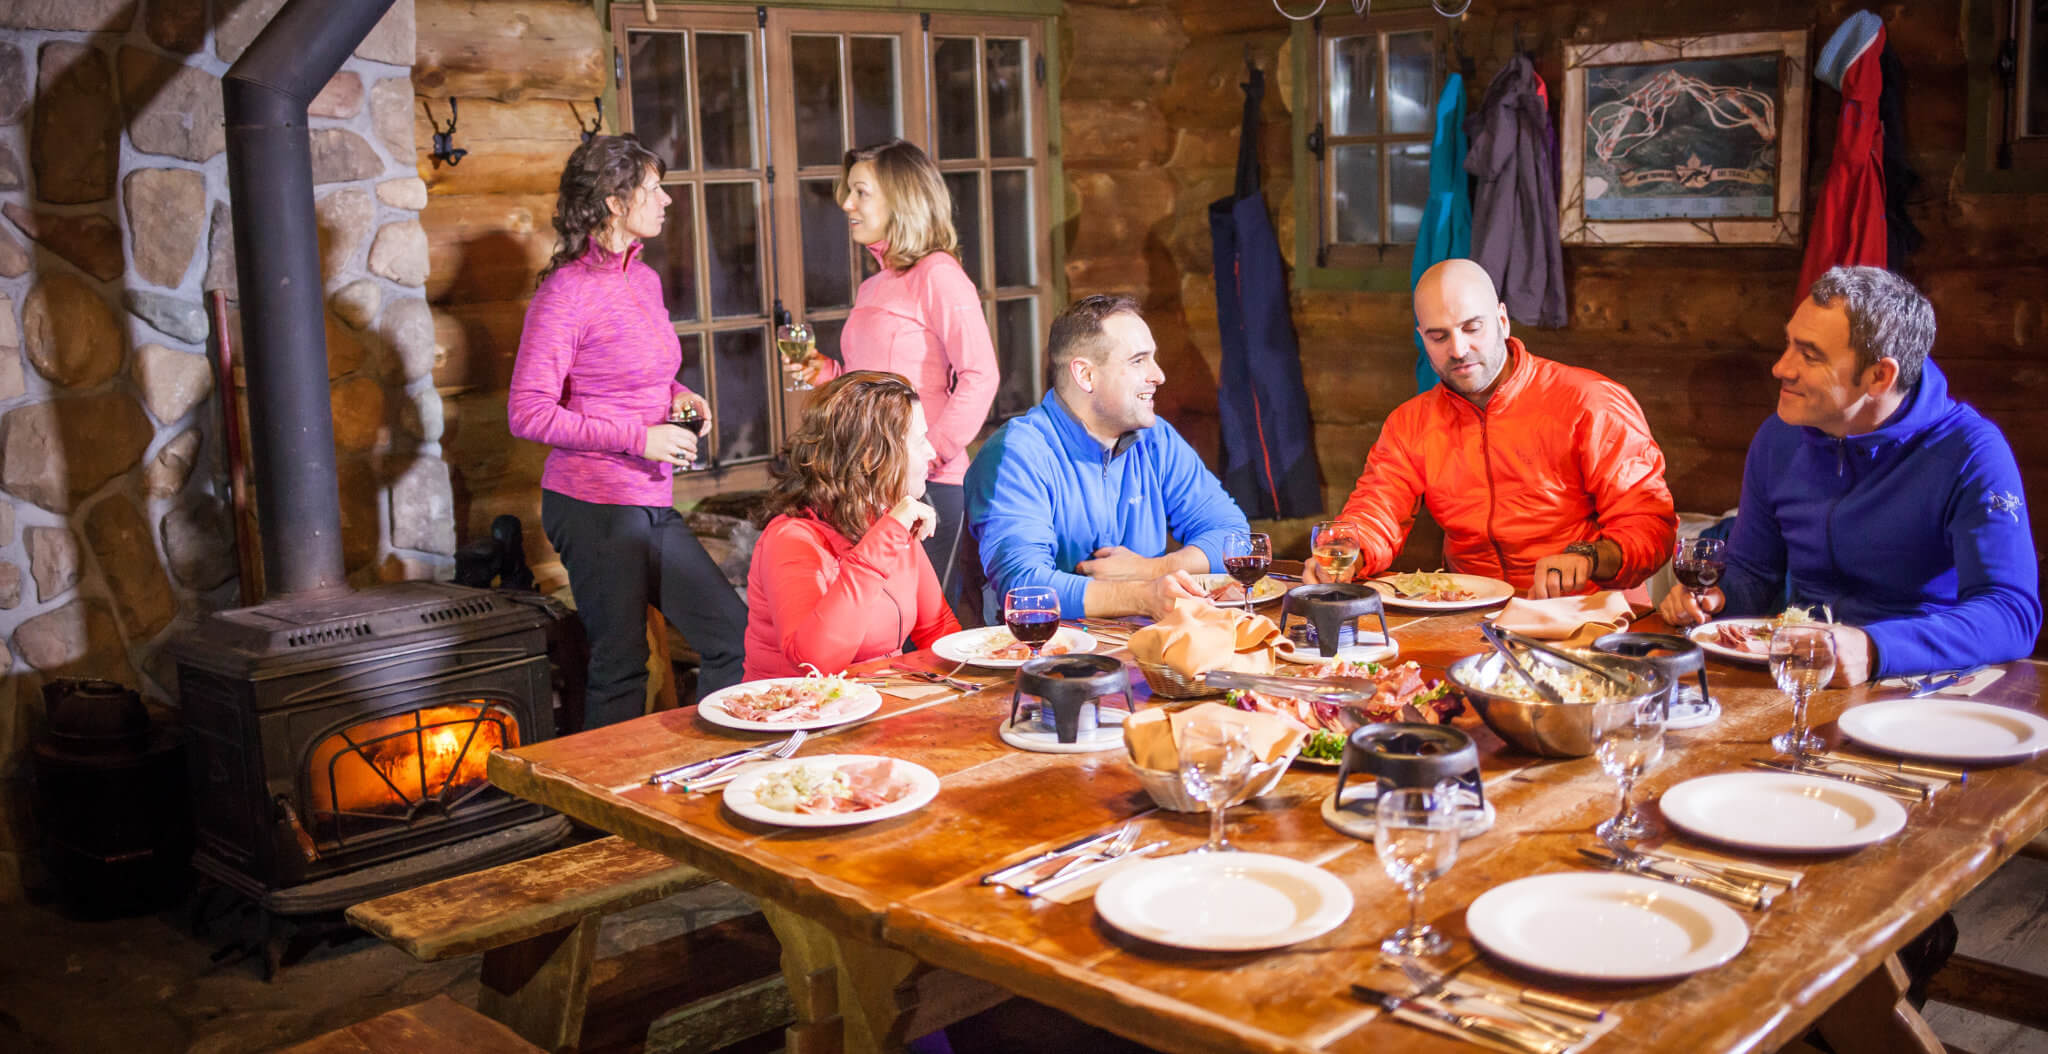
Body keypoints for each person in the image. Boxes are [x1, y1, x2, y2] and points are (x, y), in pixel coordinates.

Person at [1659, 266, 2039, 685]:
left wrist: (1874, 649)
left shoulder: (1971, 452)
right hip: (1799, 673)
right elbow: (1754, 570)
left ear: (1880, 376)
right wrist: (1718, 598)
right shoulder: (1778, 437)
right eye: (1788, 344)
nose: (1781, 368)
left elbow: (2010, 615)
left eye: (1810, 355)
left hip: (1922, 683)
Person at [508, 135, 748, 728]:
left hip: (650, 499)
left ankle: (696, 774)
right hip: (592, 504)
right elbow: (529, 412)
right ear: (616, 203)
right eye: (653, 188)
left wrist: (679, 394)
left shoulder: (643, 280)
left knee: (732, 637)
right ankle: (600, 817)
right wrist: (639, 438)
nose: (667, 200)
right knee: (620, 667)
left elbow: (646, 374)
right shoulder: (563, 295)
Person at [1311, 258, 1676, 597]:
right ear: (1421, 338)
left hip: (1585, 612)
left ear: (1502, 320)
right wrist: (1345, 553)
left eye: (1472, 327)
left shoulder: (1590, 402)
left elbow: (1648, 524)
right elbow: (1377, 510)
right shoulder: (1411, 422)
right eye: (1439, 337)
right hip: (1468, 613)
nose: (1458, 349)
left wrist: (1588, 557)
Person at [784, 138, 998, 613]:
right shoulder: (873, 284)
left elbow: (981, 374)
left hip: (932, 485)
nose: (846, 204)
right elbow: (874, 386)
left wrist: (930, 456)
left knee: (934, 626)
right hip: (872, 483)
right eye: (848, 192)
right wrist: (828, 373)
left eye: (860, 192)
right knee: (886, 625)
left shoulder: (939, 274)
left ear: (901, 198)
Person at [963, 294, 1250, 622]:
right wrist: (1142, 597)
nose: (1159, 375)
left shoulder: (1156, 439)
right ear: (1085, 376)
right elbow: (1025, 588)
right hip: (1045, 659)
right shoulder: (1016, 454)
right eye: (1138, 361)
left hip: (1148, 650)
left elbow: (1234, 537)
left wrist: (1154, 568)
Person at [744, 371, 962, 679]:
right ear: (871, 458)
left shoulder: (888, 520)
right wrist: (886, 538)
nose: (931, 452)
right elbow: (814, 664)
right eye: (919, 440)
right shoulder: (792, 538)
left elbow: (937, 629)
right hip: (797, 717)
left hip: (877, 707)